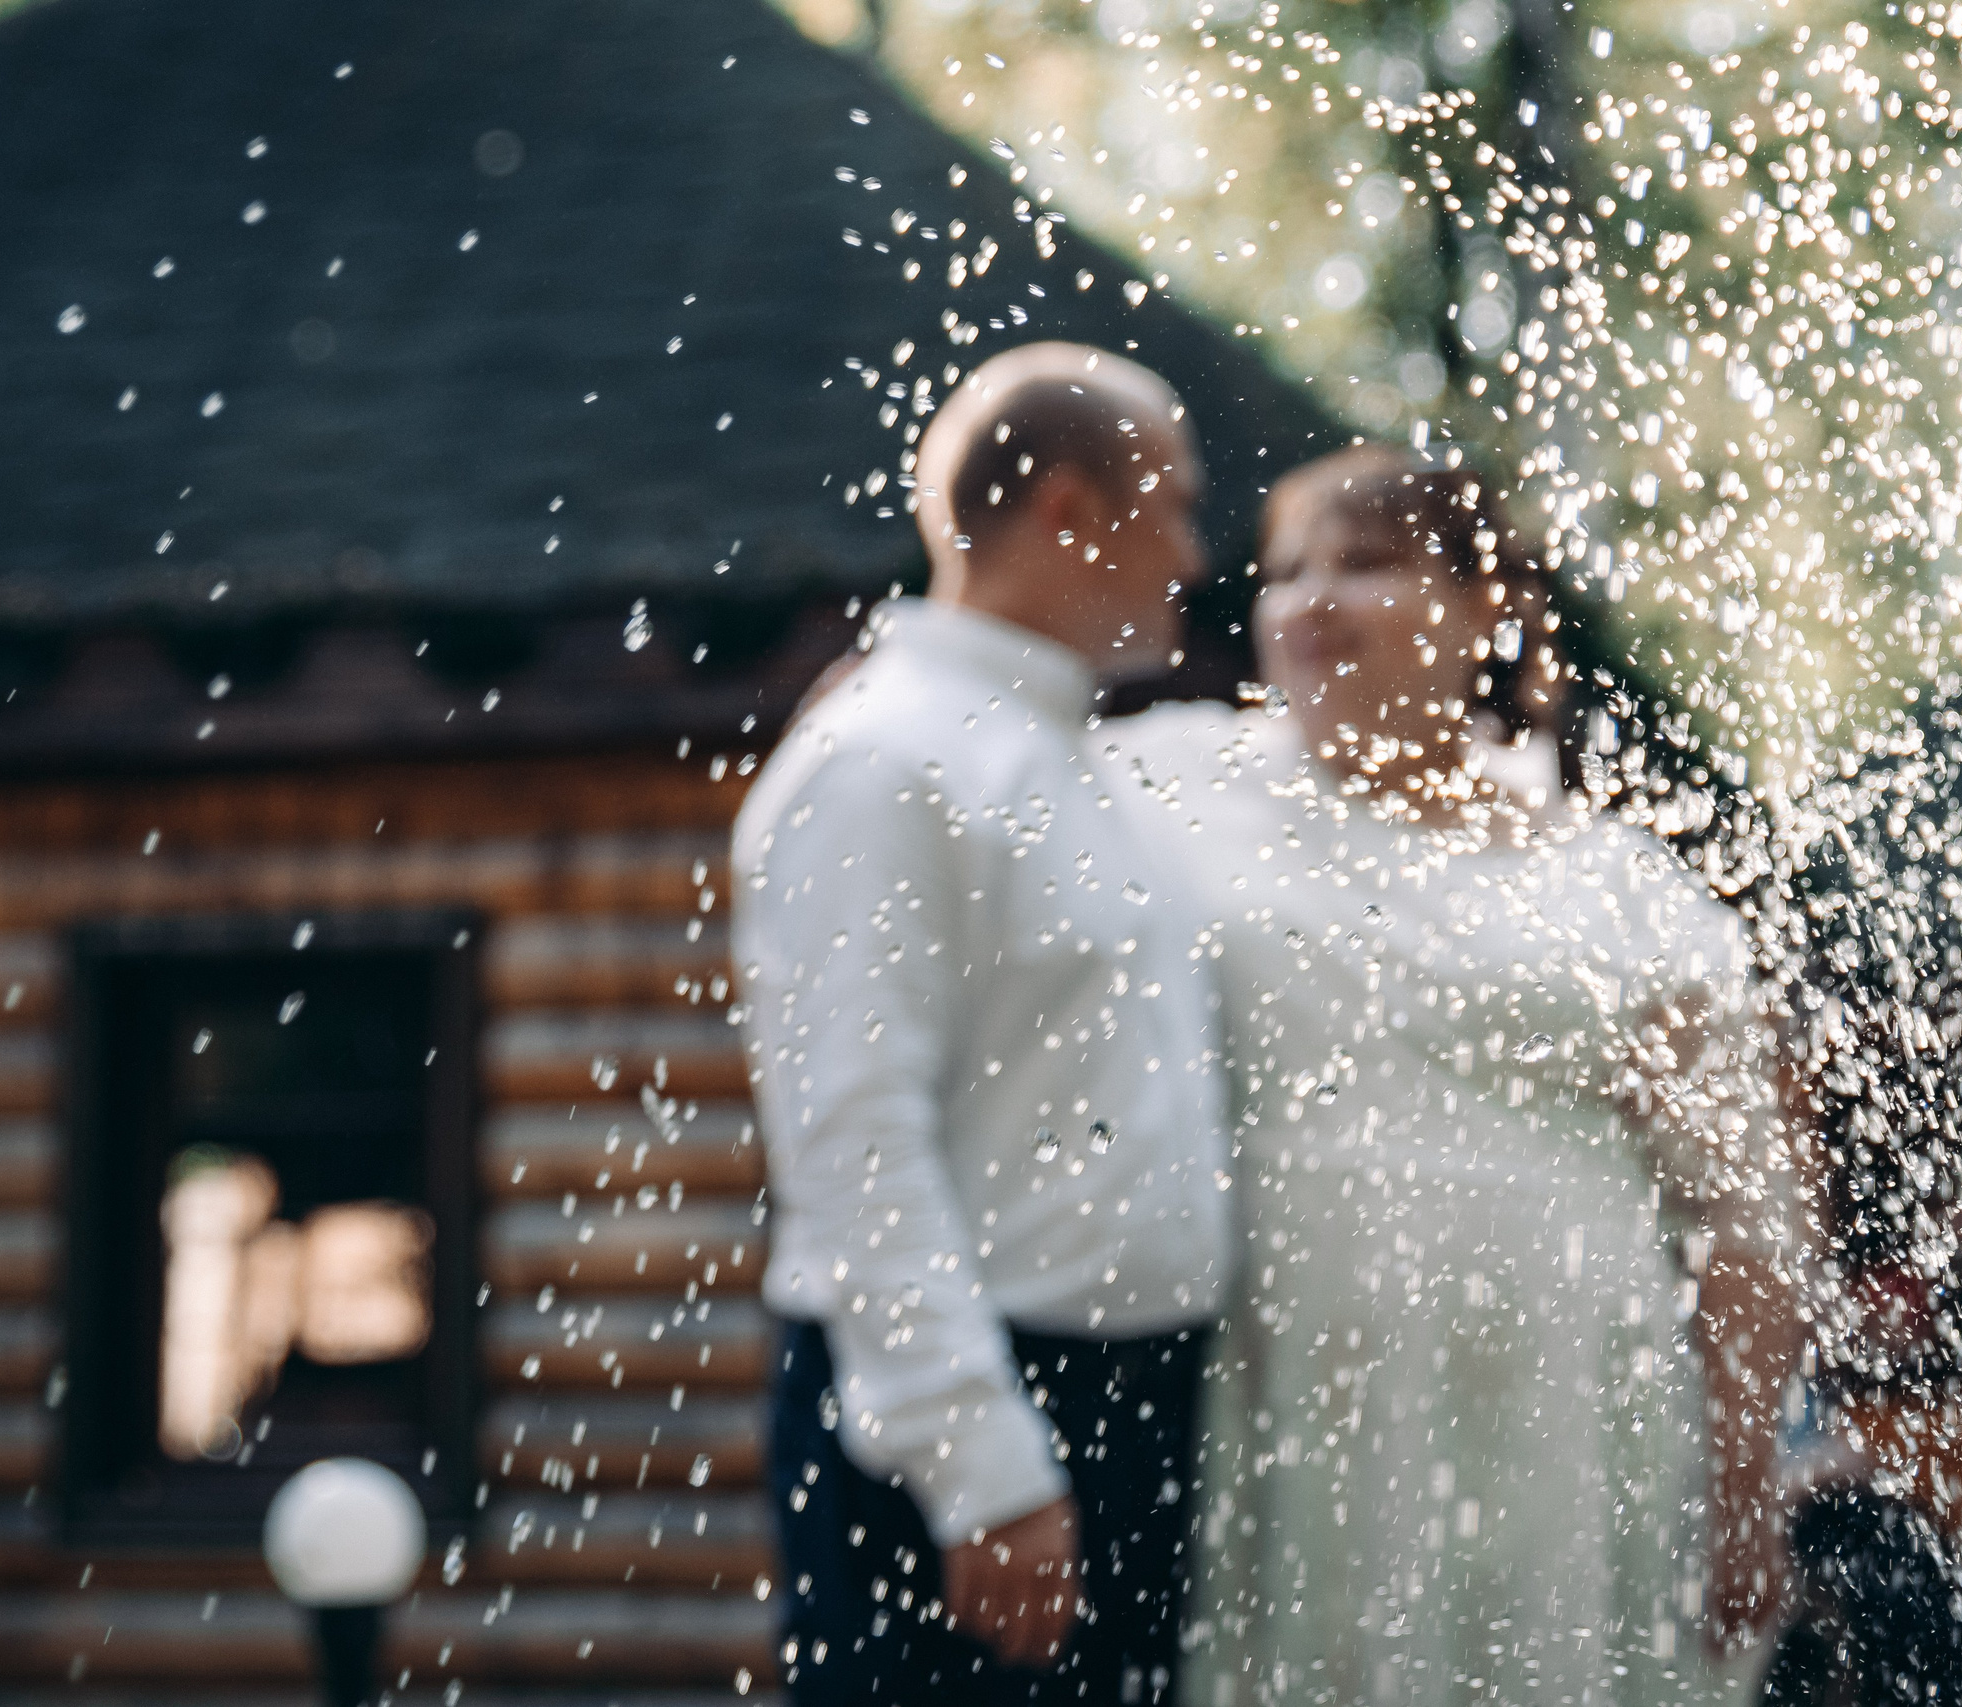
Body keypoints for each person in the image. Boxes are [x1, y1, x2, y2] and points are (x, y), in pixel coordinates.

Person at [1096, 446, 1810, 1707]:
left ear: (1487, 610)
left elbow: (1740, 1217)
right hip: (1289, 1397)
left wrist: (1742, 1485)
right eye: (1284, 571)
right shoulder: (1171, 789)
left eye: (1366, 564)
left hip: (1572, 1411)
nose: (1309, 601)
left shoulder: (1616, 882)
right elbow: (963, 761)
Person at [731, 342, 1239, 1706]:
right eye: (1176, 505)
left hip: (1131, 1404)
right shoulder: (879, 761)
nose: (1196, 554)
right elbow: (853, 1138)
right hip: (975, 1421)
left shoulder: (1085, 760)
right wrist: (982, 1467)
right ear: (1069, 511)